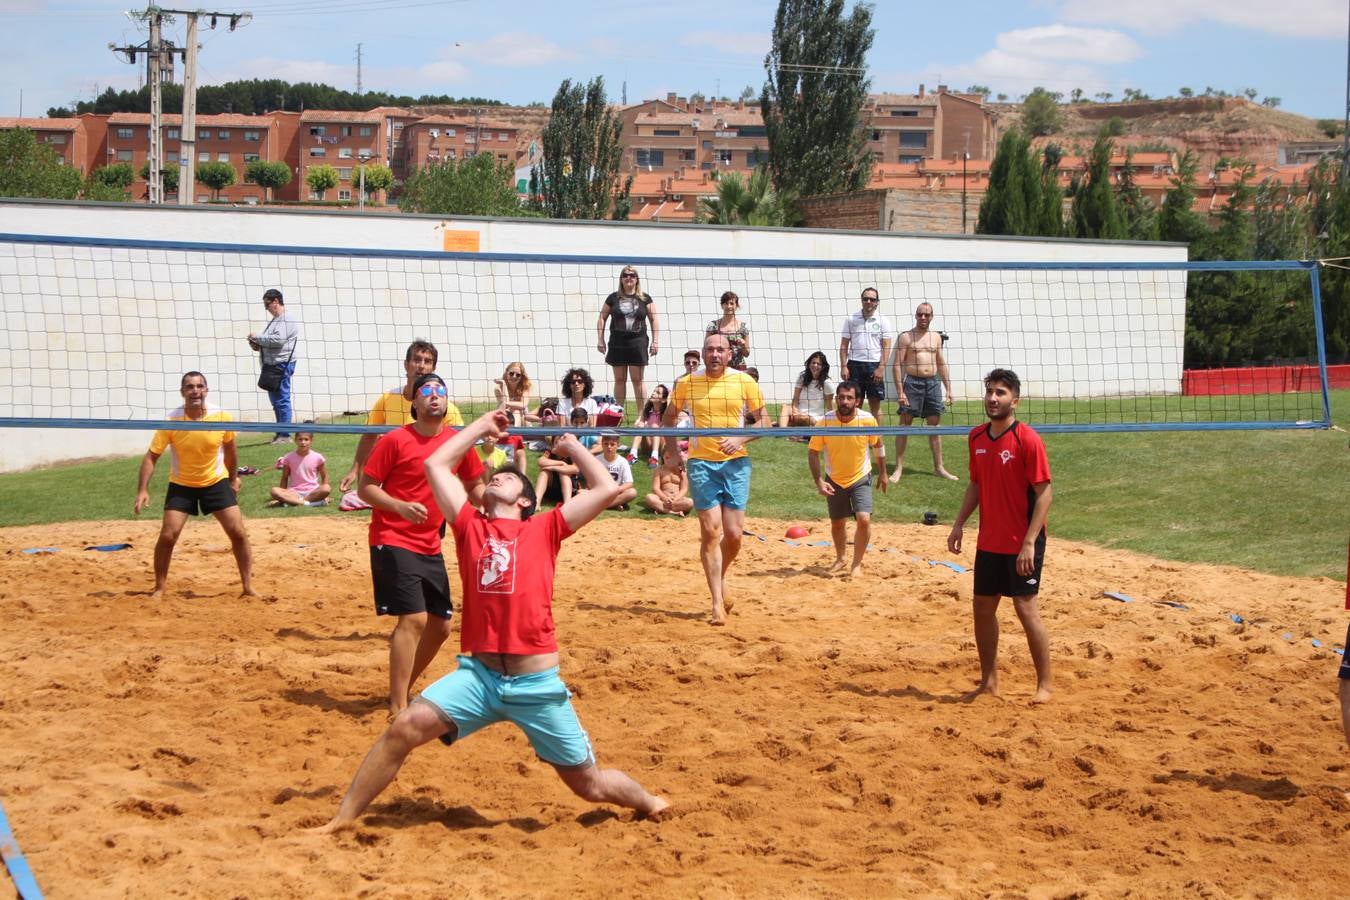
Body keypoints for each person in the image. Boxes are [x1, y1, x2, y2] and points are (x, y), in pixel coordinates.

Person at [310, 410, 669, 832]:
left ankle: (649, 801)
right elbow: (435, 465)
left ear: (524, 501)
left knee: (587, 784)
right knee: (403, 727)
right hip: (478, 678)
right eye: (495, 475)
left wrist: (571, 446)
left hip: (535, 685)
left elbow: (606, 487)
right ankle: (341, 820)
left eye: (509, 477)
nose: (498, 475)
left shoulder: (547, 527)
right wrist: (480, 427)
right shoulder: (468, 527)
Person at [359, 373, 486, 718]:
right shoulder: (395, 440)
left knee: (441, 625)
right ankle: (397, 705)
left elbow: (475, 486)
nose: (434, 396)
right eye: (426, 391)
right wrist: (398, 506)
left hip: (430, 543)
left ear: (448, 403)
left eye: (440, 391)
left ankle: (401, 689)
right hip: (391, 537)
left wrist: (493, 509)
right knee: (413, 619)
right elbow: (365, 488)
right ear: (413, 403)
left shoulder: (456, 443)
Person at [947, 368, 1053, 704]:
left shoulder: (1028, 439)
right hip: (990, 540)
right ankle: (989, 682)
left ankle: (1044, 685)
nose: (993, 398)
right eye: (990, 392)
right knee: (982, 607)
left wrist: (1029, 542)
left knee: (1025, 608)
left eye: (1001, 393)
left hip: (1022, 542)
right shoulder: (977, 437)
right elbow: (976, 484)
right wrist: (959, 523)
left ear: (1015, 401)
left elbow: (1045, 493)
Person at [662, 332, 766, 625]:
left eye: (721, 349)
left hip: (735, 462)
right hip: (701, 463)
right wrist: (673, 453)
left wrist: (740, 438)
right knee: (711, 531)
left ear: (730, 355)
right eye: (710, 349)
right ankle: (716, 604)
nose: (715, 354)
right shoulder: (687, 383)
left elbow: (765, 422)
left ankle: (720, 577)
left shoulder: (744, 381)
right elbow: (669, 419)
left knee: (733, 535)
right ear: (703, 353)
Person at [133, 372, 255, 599]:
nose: (195, 391)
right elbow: (152, 456)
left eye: (199, 386)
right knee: (168, 535)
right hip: (182, 484)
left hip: (215, 481)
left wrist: (232, 478)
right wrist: (142, 489)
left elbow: (230, 449)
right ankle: (159, 587)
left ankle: (248, 587)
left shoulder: (222, 417)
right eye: (189, 387)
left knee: (238, 532)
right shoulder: (172, 421)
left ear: (206, 390)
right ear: (183, 392)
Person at [339, 341, 464, 493]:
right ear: (406, 364)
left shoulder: (443, 408)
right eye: (417, 360)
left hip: (429, 479)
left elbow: (459, 448)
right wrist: (355, 469)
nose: (421, 366)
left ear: (433, 368)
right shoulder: (388, 398)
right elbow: (369, 435)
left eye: (427, 361)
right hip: (395, 478)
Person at [807, 381, 888, 578]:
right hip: (834, 478)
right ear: (836, 399)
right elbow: (812, 452)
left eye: (849, 398)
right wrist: (818, 481)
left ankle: (856, 565)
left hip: (860, 475)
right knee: (837, 523)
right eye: (841, 397)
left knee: (863, 519)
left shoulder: (867, 420)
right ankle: (841, 558)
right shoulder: (825, 421)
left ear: (857, 401)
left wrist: (883, 473)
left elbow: (878, 445)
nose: (844, 401)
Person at [891, 302, 958, 483]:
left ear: (931, 317)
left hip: (933, 384)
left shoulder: (936, 337)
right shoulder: (906, 337)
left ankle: (939, 467)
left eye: (926, 315)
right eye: (920, 314)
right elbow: (896, 365)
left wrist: (949, 389)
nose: (923, 318)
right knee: (904, 426)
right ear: (915, 315)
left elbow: (941, 363)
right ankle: (898, 468)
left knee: (934, 427)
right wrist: (900, 392)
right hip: (912, 384)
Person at [596, 266, 660, 414]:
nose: (629, 277)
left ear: (637, 279)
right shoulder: (613, 298)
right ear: (621, 279)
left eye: (632, 275)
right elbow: (602, 317)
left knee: (638, 380)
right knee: (619, 380)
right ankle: (618, 414)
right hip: (617, 343)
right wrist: (600, 339)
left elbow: (654, 319)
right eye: (625, 275)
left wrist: (655, 341)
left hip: (638, 343)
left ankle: (642, 416)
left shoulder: (645, 298)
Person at [247, 288, 300, 444]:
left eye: (267, 304)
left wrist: (258, 337)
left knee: (282, 399)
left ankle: (285, 435)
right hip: (272, 366)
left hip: (281, 365)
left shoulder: (287, 319)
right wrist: (258, 345)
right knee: (276, 401)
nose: (266, 308)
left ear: (276, 301)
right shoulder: (276, 321)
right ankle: (280, 432)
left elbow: (278, 341)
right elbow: (271, 341)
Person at [838, 287, 895, 421]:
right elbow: (844, 345)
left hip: (874, 366)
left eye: (872, 299)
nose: (869, 301)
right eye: (866, 299)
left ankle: (876, 440)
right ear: (862, 300)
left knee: (874, 404)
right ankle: (856, 438)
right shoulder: (851, 319)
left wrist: (881, 368)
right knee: (854, 404)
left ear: (877, 302)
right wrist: (843, 366)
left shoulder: (883, 320)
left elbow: (886, 347)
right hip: (854, 365)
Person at [269, 429, 331, 507]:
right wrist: (279, 496)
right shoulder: (288, 457)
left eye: (306, 439)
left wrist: (326, 495)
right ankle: (309, 503)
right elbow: (285, 477)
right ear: (295, 440)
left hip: (313, 491)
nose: (303, 442)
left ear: (311, 441)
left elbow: (324, 476)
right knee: (274, 491)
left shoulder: (318, 457)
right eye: (300, 439)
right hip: (294, 492)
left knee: (326, 488)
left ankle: (293, 502)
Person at [779, 351, 835, 434]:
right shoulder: (802, 377)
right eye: (813, 363)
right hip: (799, 412)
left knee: (804, 418)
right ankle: (782, 432)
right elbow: (795, 399)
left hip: (815, 417)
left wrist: (831, 424)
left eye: (818, 364)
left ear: (823, 367)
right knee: (785, 408)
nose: (815, 365)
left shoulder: (827, 383)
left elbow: (829, 407)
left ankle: (789, 425)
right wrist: (795, 412)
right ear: (809, 364)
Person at [591, 433, 637, 511]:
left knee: (632, 492)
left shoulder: (623, 461)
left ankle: (603, 505)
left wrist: (617, 490)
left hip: (617, 492)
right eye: (606, 444)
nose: (609, 447)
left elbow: (629, 483)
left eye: (612, 444)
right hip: (600, 492)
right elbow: (590, 481)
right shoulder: (596, 460)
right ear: (602, 444)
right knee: (581, 492)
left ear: (618, 445)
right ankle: (615, 504)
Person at [706, 291, 750, 371]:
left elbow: (747, 354)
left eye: (732, 303)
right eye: (726, 303)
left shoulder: (743, 327)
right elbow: (706, 349)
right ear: (722, 306)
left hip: (738, 369)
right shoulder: (713, 326)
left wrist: (743, 346)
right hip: (719, 367)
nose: (729, 306)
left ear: (737, 306)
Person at [631, 384, 669, 466]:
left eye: (657, 392)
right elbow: (638, 424)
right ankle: (633, 454)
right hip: (647, 446)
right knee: (641, 425)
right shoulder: (647, 411)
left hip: (661, 447)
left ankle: (654, 458)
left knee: (655, 426)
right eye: (654, 391)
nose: (653, 393)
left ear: (663, 400)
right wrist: (639, 424)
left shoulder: (666, 413)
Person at [493, 361, 532, 427]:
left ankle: (514, 434)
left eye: (518, 375)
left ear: (521, 377)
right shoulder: (498, 388)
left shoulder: (525, 387)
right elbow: (505, 407)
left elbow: (523, 405)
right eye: (511, 373)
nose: (514, 376)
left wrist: (506, 403)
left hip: (523, 417)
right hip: (505, 416)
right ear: (506, 373)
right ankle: (512, 434)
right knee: (514, 411)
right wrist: (504, 384)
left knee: (517, 412)